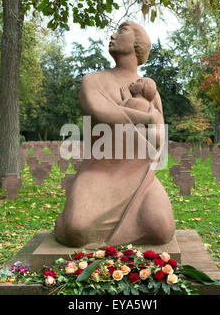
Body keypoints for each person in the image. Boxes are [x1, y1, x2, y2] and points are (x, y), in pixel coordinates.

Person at [53, 21, 175, 247]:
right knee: (75, 230)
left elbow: (159, 134)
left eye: (122, 30)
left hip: (139, 174)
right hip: (101, 169)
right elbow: (100, 111)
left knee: (161, 230)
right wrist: (146, 117)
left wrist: (147, 122)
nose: (113, 35)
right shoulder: (93, 80)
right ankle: (65, 219)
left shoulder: (150, 89)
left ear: (139, 43)